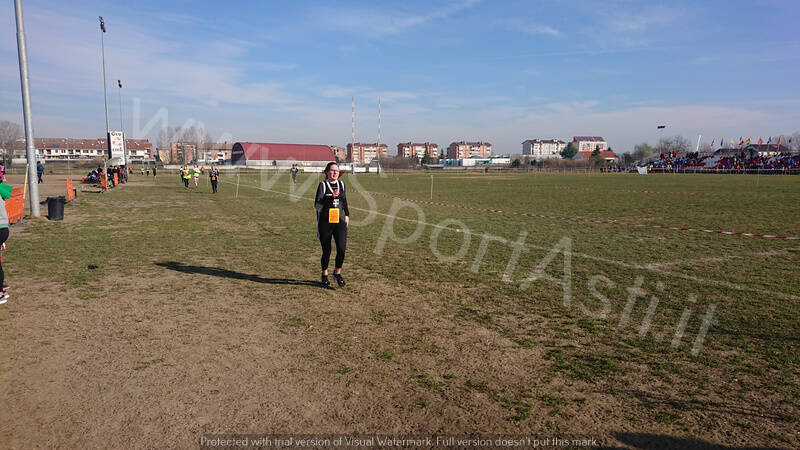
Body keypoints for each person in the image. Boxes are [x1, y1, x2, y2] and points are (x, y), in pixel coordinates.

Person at [315, 162, 349, 288]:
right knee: (327, 251)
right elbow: (317, 205)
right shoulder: (323, 186)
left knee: (341, 249)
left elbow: (344, 201)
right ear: (327, 172)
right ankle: (324, 274)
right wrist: (329, 199)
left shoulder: (342, 184)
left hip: (339, 222)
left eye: (337, 171)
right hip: (325, 223)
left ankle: (337, 273)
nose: (335, 173)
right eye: (332, 170)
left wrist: (347, 215)